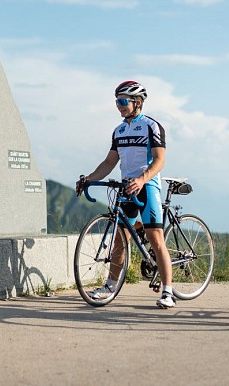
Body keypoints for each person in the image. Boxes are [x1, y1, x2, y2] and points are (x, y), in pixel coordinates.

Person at [75, 80, 175, 308]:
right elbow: (110, 162)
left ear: (137, 102)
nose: (118, 106)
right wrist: (89, 178)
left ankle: (168, 291)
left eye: (122, 101)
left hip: (147, 186)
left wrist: (142, 179)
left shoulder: (151, 126)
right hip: (126, 187)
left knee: (155, 238)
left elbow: (160, 160)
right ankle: (110, 285)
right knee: (120, 239)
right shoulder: (119, 130)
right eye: (116, 102)